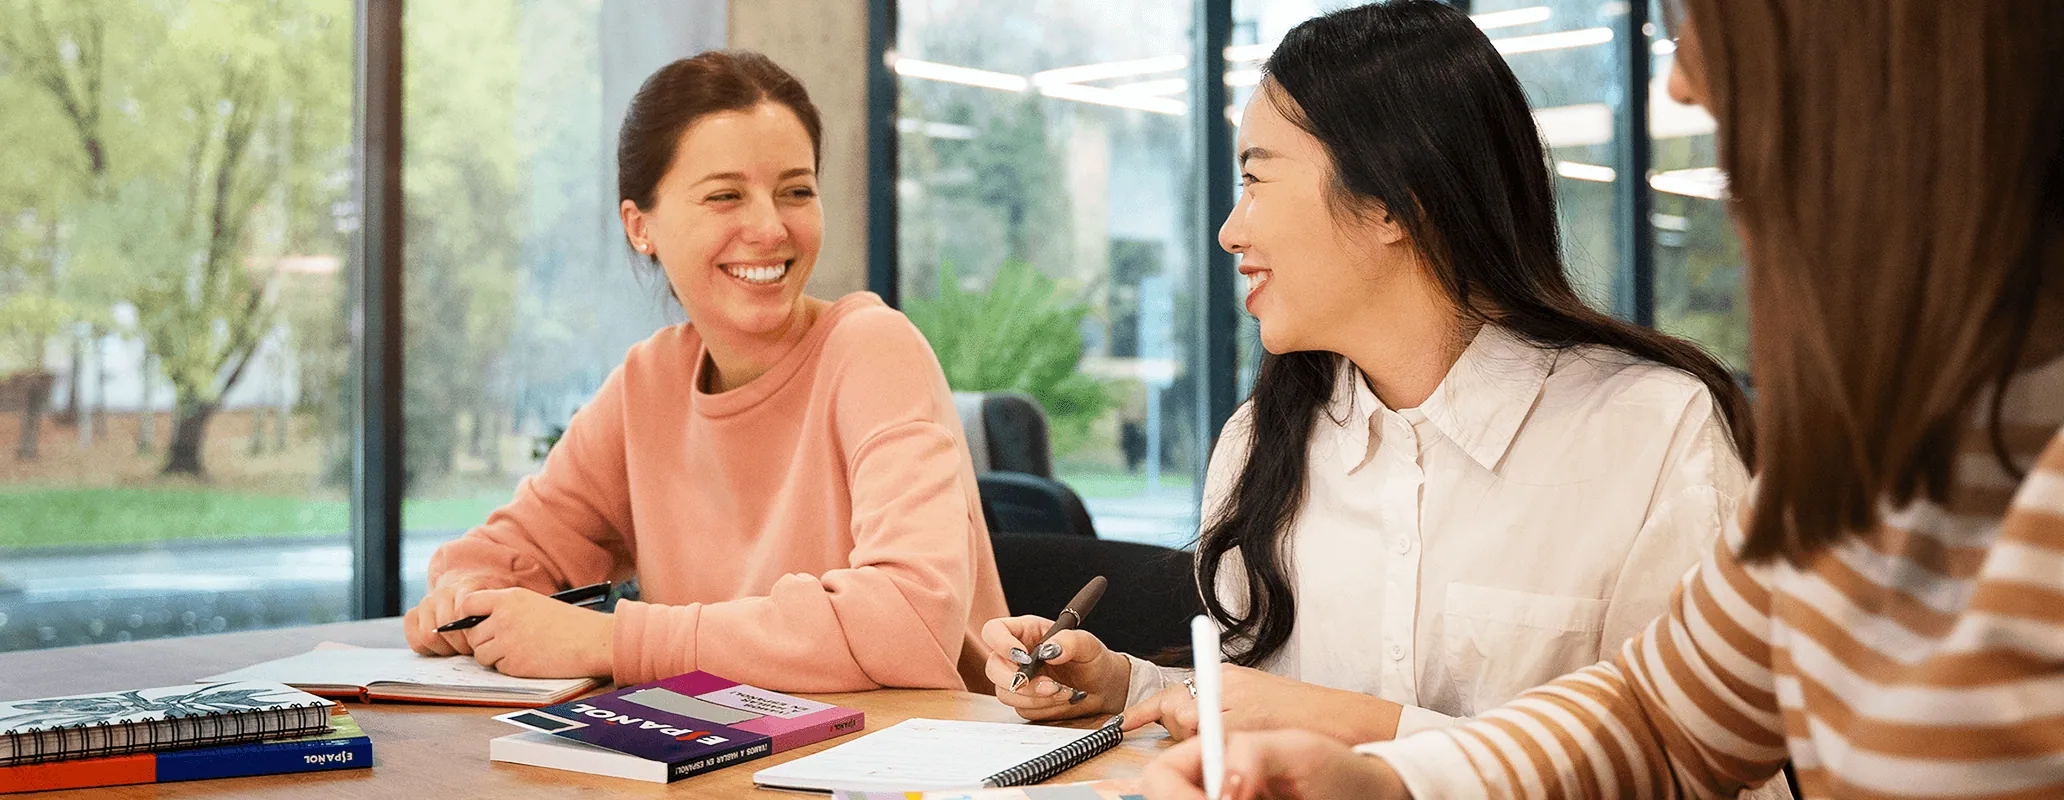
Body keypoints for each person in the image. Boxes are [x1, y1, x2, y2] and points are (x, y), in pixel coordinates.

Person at [1141, 0, 2064, 796]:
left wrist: (1380, 740)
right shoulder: (1887, 453)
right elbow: (1664, 721)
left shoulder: (1656, 427)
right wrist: (1388, 781)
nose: (1682, 86)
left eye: (1705, 25)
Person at [980, 0, 1756, 749]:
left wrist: (1359, 729)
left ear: (1392, 201)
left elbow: (1698, 765)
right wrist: (1122, 686)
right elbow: (1254, 706)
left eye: (1255, 179)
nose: (1229, 230)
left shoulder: (1653, 433)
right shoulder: (1260, 442)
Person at [400, 50, 1009, 693]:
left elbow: (908, 620)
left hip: (895, 773)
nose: (771, 228)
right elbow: (500, 553)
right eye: (725, 196)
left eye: (796, 191)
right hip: (720, 766)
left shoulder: (874, 350)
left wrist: (612, 640)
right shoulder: (649, 383)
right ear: (641, 226)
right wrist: (464, 599)